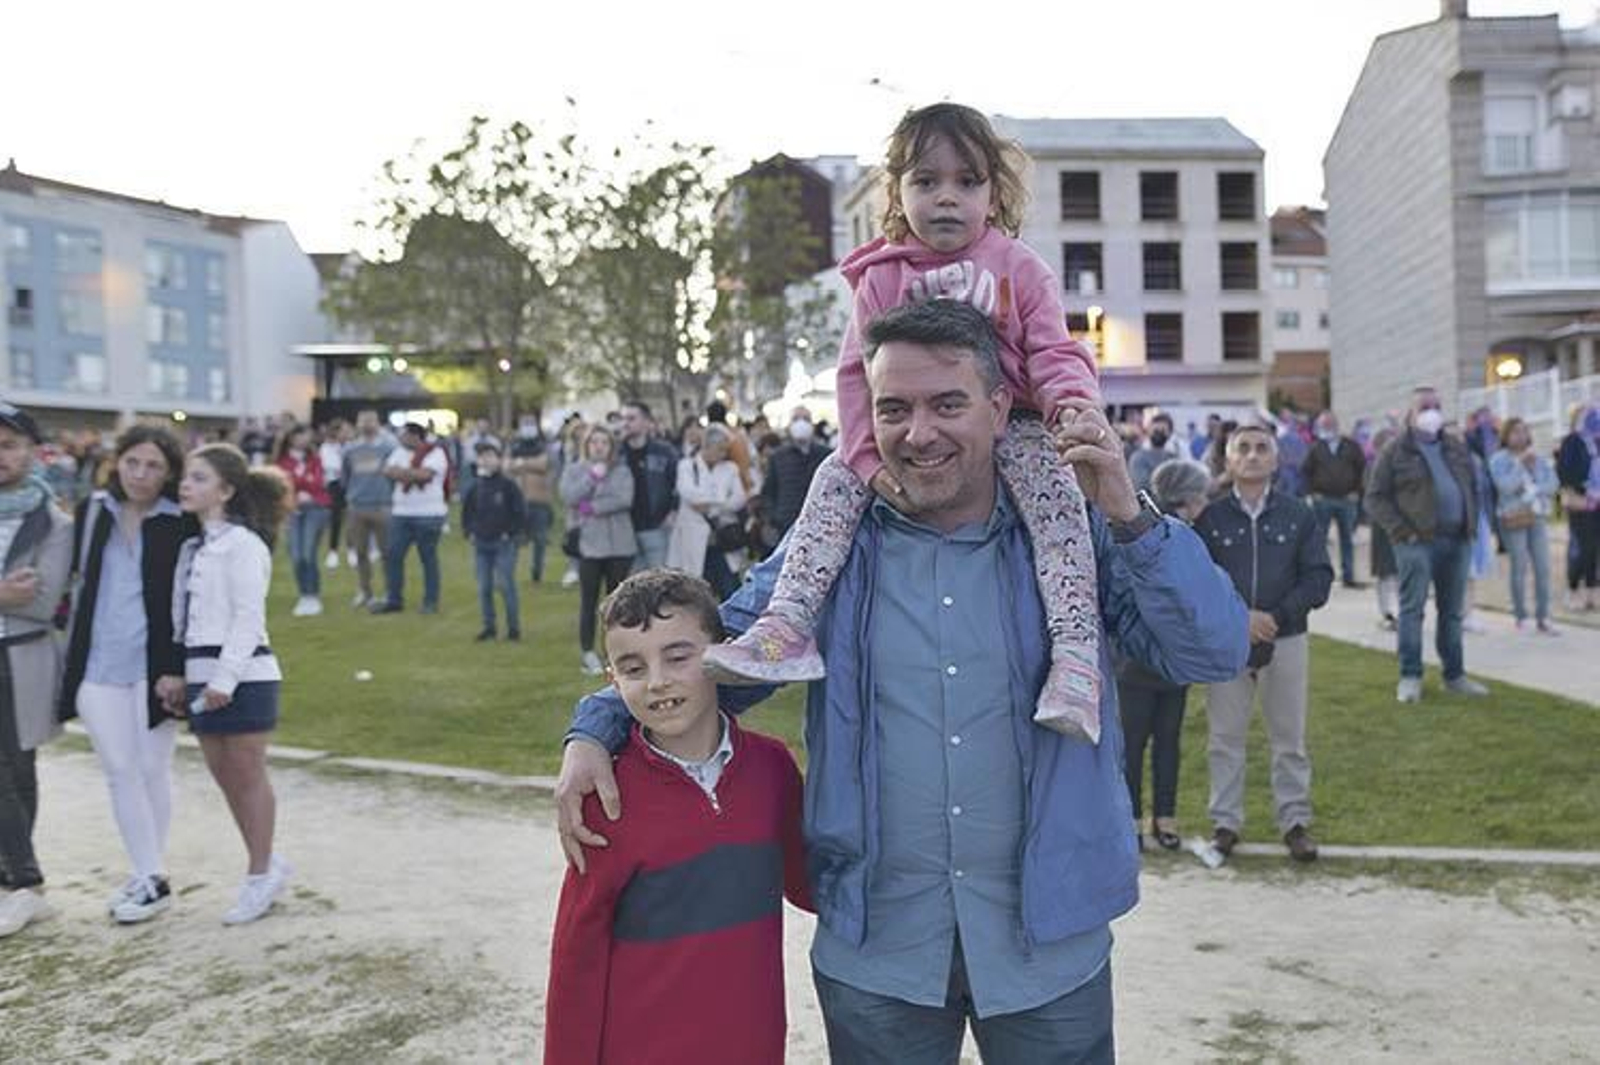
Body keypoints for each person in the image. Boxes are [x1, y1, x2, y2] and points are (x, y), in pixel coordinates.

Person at [558, 301, 1249, 1062]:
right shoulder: (831, 544)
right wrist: (598, 722)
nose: (919, 433)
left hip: (1047, 950)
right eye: (895, 409)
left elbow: (1211, 650)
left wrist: (1125, 508)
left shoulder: (1070, 533)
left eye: (947, 404)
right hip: (880, 955)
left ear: (998, 408)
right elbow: (721, 660)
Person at [703, 102, 1106, 744]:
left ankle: (1076, 658)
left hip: (1022, 422)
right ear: (897, 192)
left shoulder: (1020, 267)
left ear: (994, 193)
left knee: (1058, 509)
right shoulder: (882, 277)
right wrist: (865, 460)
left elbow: (1055, 351)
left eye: (966, 182)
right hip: (906, 437)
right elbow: (854, 375)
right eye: (926, 181)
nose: (946, 197)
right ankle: (786, 625)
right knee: (829, 489)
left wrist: (1071, 407)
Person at [544, 570, 810, 1065]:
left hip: (752, 1046)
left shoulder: (772, 769)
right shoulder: (605, 800)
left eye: (678, 656)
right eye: (633, 667)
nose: (658, 681)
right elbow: (576, 962)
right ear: (613, 680)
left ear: (723, 654)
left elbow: (813, 887)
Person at [58, 425, 194, 924]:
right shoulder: (94, 511)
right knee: (119, 770)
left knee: (152, 766)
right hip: (97, 662)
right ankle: (150, 875)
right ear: (117, 462)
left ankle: (148, 876)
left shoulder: (181, 521)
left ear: (169, 472)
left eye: (154, 466)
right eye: (133, 462)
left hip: (155, 666)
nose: (140, 474)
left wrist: (178, 668)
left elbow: (191, 599)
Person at [1194, 425, 1333, 863]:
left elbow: (1318, 578)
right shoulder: (1211, 519)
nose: (1252, 455)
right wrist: (1240, 618)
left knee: (1289, 738)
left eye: (1261, 448)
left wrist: (1276, 617)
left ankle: (1295, 823)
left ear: (1276, 459)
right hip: (1228, 644)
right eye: (1243, 448)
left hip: (1286, 639)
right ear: (1228, 460)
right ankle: (1225, 824)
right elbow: (1199, 581)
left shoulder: (1299, 515)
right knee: (1224, 738)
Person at [172, 444, 292, 924]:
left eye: (199, 478)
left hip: (245, 676)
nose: (186, 485)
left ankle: (259, 875)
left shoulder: (244, 544)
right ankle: (266, 864)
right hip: (201, 674)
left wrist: (225, 678)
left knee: (247, 776)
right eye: (187, 476)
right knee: (225, 779)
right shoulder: (195, 546)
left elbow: (248, 618)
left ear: (225, 491)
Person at [1364, 387, 1489, 703]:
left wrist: (1471, 521)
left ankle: (1454, 676)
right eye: (1425, 406)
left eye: (1436, 406)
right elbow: (1375, 497)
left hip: (1456, 539)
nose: (1432, 412)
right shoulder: (1395, 450)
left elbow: (1473, 486)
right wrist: (1401, 532)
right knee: (1412, 609)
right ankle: (1410, 676)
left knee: (1452, 612)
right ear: (1411, 413)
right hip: (1415, 542)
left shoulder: (1455, 446)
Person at [0, 404, 72, 940]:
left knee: (19, 769)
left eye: (9, 445)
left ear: (32, 451)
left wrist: (13, 597)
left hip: (20, 658)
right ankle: (22, 878)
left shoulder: (55, 522)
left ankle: (21, 883)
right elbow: (13, 595)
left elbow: (41, 602)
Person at [1117, 459, 1212, 852]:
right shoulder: (1153, 534)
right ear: (1187, 497)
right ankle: (1135, 820)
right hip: (1138, 660)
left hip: (1172, 659)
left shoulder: (1188, 535)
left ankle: (1161, 816)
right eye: (1201, 495)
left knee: (1164, 741)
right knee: (1137, 743)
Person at [560, 426, 636, 676]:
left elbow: (624, 499)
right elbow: (569, 496)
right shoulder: (575, 470)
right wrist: (591, 479)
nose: (599, 447)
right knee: (589, 600)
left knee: (617, 602)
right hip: (590, 546)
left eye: (604, 442)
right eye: (594, 442)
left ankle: (616, 651)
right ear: (587, 445)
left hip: (619, 545)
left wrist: (593, 507)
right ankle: (587, 652)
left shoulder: (622, 470)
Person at [1489, 417, 1560, 635]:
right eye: (1515, 431)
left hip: (1537, 516)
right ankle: (1521, 616)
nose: (1520, 435)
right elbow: (1505, 487)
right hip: (1514, 517)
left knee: (1543, 567)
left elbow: (1553, 484)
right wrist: (1520, 465)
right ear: (1506, 435)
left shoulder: (1538, 457)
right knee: (1519, 566)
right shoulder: (1498, 459)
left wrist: (1535, 485)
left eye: (1524, 431)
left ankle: (1543, 617)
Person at [371, 423, 448, 616]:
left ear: (415, 436)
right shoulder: (398, 452)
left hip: (429, 514)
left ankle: (430, 601)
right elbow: (387, 471)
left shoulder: (436, 453)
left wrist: (402, 473)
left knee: (428, 558)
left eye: (404, 435)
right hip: (401, 512)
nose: (400, 438)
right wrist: (410, 474)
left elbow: (425, 475)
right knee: (393, 555)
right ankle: (394, 599)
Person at [666, 424, 747, 600]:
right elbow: (688, 493)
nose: (723, 454)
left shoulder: (730, 468)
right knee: (697, 594)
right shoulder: (686, 466)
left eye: (725, 450)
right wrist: (721, 500)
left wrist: (713, 504)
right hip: (694, 540)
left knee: (731, 590)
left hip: (722, 540)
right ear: (707, 446)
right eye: (720, 450)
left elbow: (739, 498)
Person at [461, 442, 526, 642]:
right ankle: (489, 627)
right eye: (482, 456)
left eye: (490, 455)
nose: (486, 460)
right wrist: (469, 532)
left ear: (499, 459)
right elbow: (467, 513)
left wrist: (510, 533)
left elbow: (520, 512)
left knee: (506, 585)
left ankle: (513, 629)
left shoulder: (508, 485)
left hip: (503, 544)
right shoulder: (474, 486)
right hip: (481, 544)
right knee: (484, 587)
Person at [1302, 410, 1367, 589]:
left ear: (1336, 425)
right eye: (1323, 425)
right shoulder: (1316, 447)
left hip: (1347, 500)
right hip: (1323, 500)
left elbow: (1362, 469)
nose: (1326, 427)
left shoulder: (1351, 446)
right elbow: (1306, 471)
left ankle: (1348, 576)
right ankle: (1320, 577)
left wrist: (1357, 492)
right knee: (1319, 540)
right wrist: (1312, 493)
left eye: (1329, 424)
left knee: (1347, 540)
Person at [274, 424, 331, 618]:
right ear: (291, 438)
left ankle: (312, 595)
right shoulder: (281, 461)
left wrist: (300, 482)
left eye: (307, 436)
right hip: (292, 511)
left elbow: (318, 483)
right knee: (296, 556)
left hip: (315, 509)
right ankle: (304, 595)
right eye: (301, 435)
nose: (305, 439)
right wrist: (304, 480)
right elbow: (283, 485)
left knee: (308, 553)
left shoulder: (315, 459)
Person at [618, 402, 678, 574]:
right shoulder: (616, 453)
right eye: (623, 418)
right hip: (625, 529)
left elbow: (677, 482)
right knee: (631, 583)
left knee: (658, 579)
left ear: (646, 422)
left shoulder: (664, 451)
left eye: (631, 418)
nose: (625, 423)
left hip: (656, 526)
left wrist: (674, 510)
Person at [340, 410, 393, 608]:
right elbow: (345, 477)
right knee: (360, 552)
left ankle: (390, 591)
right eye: (363, 421)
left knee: (387, 553)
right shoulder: (350, 450)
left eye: (370, 421)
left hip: (382, 506)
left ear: (378, 424)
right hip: (357, 507)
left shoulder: (388, 448)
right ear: (357, 424)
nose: (367, 424)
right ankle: (365, 591)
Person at [759, 407, 831, 544]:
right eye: (796, 419)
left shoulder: (826, 455)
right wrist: (774, 517)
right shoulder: (778, 456)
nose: (801, 423)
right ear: (789, 426)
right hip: (785, 525)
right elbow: (768, 491)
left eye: (806, 419)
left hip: (817, 526)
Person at [1557, 404, 1600, 612]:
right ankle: (1572, 590)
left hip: (1597, 501)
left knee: (1595, 548)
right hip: (1581, 502)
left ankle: (1592, 592)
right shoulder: (1572, 441)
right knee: (1581, 548)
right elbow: (1564, 473)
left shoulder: (1596, 440)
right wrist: (1576, 494)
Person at [506, 415, 555, 584]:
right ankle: (508, 573)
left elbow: (544, 464)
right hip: (517, 502)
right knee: (514, 539)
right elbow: (506, 466)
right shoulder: (514, 446)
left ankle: (537, 574)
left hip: (539, 500)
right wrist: (530, 464)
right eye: (525, 424)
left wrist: (520, 464)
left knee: (540, 540)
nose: (528, 427)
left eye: (530, 424)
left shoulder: (543, 446)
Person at [1366, 423, 1402, 630]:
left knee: (1399, 571)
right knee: (1385, 571)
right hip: (1382, 526)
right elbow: (1371, 498)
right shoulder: (1373, 468)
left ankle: (1398, 612)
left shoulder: (1401, 466)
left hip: (1400, 526)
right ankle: (1387, 612)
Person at [318, 420, 348, 571]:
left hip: (346, 483)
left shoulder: (344, 447)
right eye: (344, 431)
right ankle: (333, 552)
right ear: (336, 432)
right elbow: (332, 467)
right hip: (333, 485)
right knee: (336, 519)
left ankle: (352, 549)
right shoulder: (325, 448)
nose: (347, 434)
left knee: (352, 519)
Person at [1126, 412, 1175, 493]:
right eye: (1155, 430)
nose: (1158, 434)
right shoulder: (1139, 457)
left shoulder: (1173, 458)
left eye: (1162, 430)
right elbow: (1141, 485)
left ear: (1170, 433)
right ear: (1149, 431)